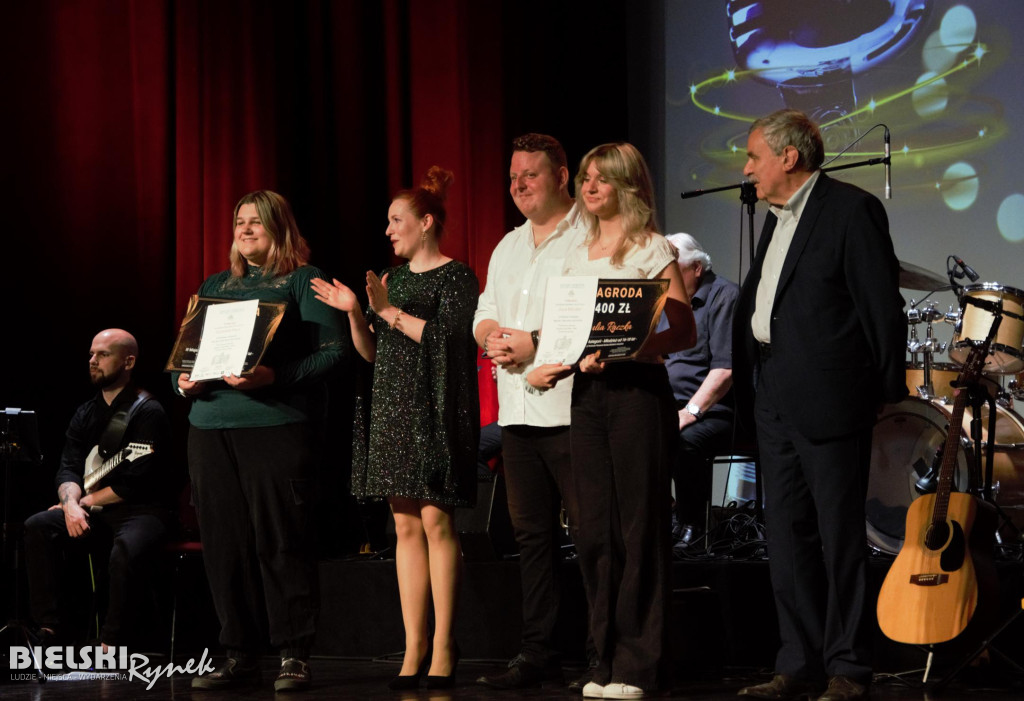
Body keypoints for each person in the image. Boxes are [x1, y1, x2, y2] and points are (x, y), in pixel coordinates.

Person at [732, 110, 907, 701]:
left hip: (831, 398)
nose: (747, 168)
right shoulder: (775, 218)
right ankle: (797, 661)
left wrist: (883, 391)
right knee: (786, 536)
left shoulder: (850, 211)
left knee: (840, 537)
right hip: (773, 395)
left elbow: (881, 309)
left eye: (754, 156)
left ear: (789, 157)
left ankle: (849, 666)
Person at [528, 142, 696, 699]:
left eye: (602, 179)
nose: (590, 188)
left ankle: (639, 664)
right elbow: (566, 328)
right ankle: (603, 659)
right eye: (586, 179)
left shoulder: (651, 249)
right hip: (587, 394)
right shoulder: (576, 253)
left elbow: (684, 331)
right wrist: (550, 364)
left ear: (628, 185)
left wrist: (633, 346)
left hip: (637, 394)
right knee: (594, 530)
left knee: (639, 525)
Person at [311, 166, 479, 691]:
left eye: (396, 220)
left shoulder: (457, 276)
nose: (388, 230)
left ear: (426, 222)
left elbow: (452, 343)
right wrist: (359, 313)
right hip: (390, 406)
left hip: (434, 407)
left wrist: (387, 312)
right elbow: (370, 353)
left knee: (436, 524)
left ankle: (447, 643)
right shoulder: (394, 280)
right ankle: (414, 644)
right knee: (402, 528)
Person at [176, 190, 348, 692]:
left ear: (280, 227)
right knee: (224, 546)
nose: (245, 230)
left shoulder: (303, 280)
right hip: (208, 429)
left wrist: (272, 377)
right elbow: (184, 356)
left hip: (273, 427)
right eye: (239, 222)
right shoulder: (215, 284)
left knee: (280, 540)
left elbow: (334, 354)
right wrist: (180, 382)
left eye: (256, 222)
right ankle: (238, 652)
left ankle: (293, 653)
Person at [471, 133, 592, 691]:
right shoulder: (508, 246)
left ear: (562, 176)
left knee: (591, 536)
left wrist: (534, 343)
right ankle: (538, 650)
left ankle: (602, 650)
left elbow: (595, 321)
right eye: (513, 177)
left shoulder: (588, 235)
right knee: (532, 538)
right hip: (518, 414)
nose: (518, 185)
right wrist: (492, 334)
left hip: (573, 410)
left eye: (531, 175)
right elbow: (485, 312)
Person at [24, 328, 177, 651]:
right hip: (94, 509)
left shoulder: (148, 411)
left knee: (126, 548)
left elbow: (139, 480)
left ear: (128, 361)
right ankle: (51, 628)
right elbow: (68, 466)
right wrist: (70, 504)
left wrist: (83, 502)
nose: (93, 361)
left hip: (143, 510)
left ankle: (112, 641)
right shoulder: (86, 412)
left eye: (103, 355)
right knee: (38, 526)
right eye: (92, 354)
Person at [661, 233, 740, 552]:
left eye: (671, 270)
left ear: (695, 268)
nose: (664, 279)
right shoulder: (664, 300)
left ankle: (694, 524)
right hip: (669, 406)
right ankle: (666, 518)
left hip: (717, 411)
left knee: (684, 440)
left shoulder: (724, 296)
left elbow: (725, 370)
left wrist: (689, 412)